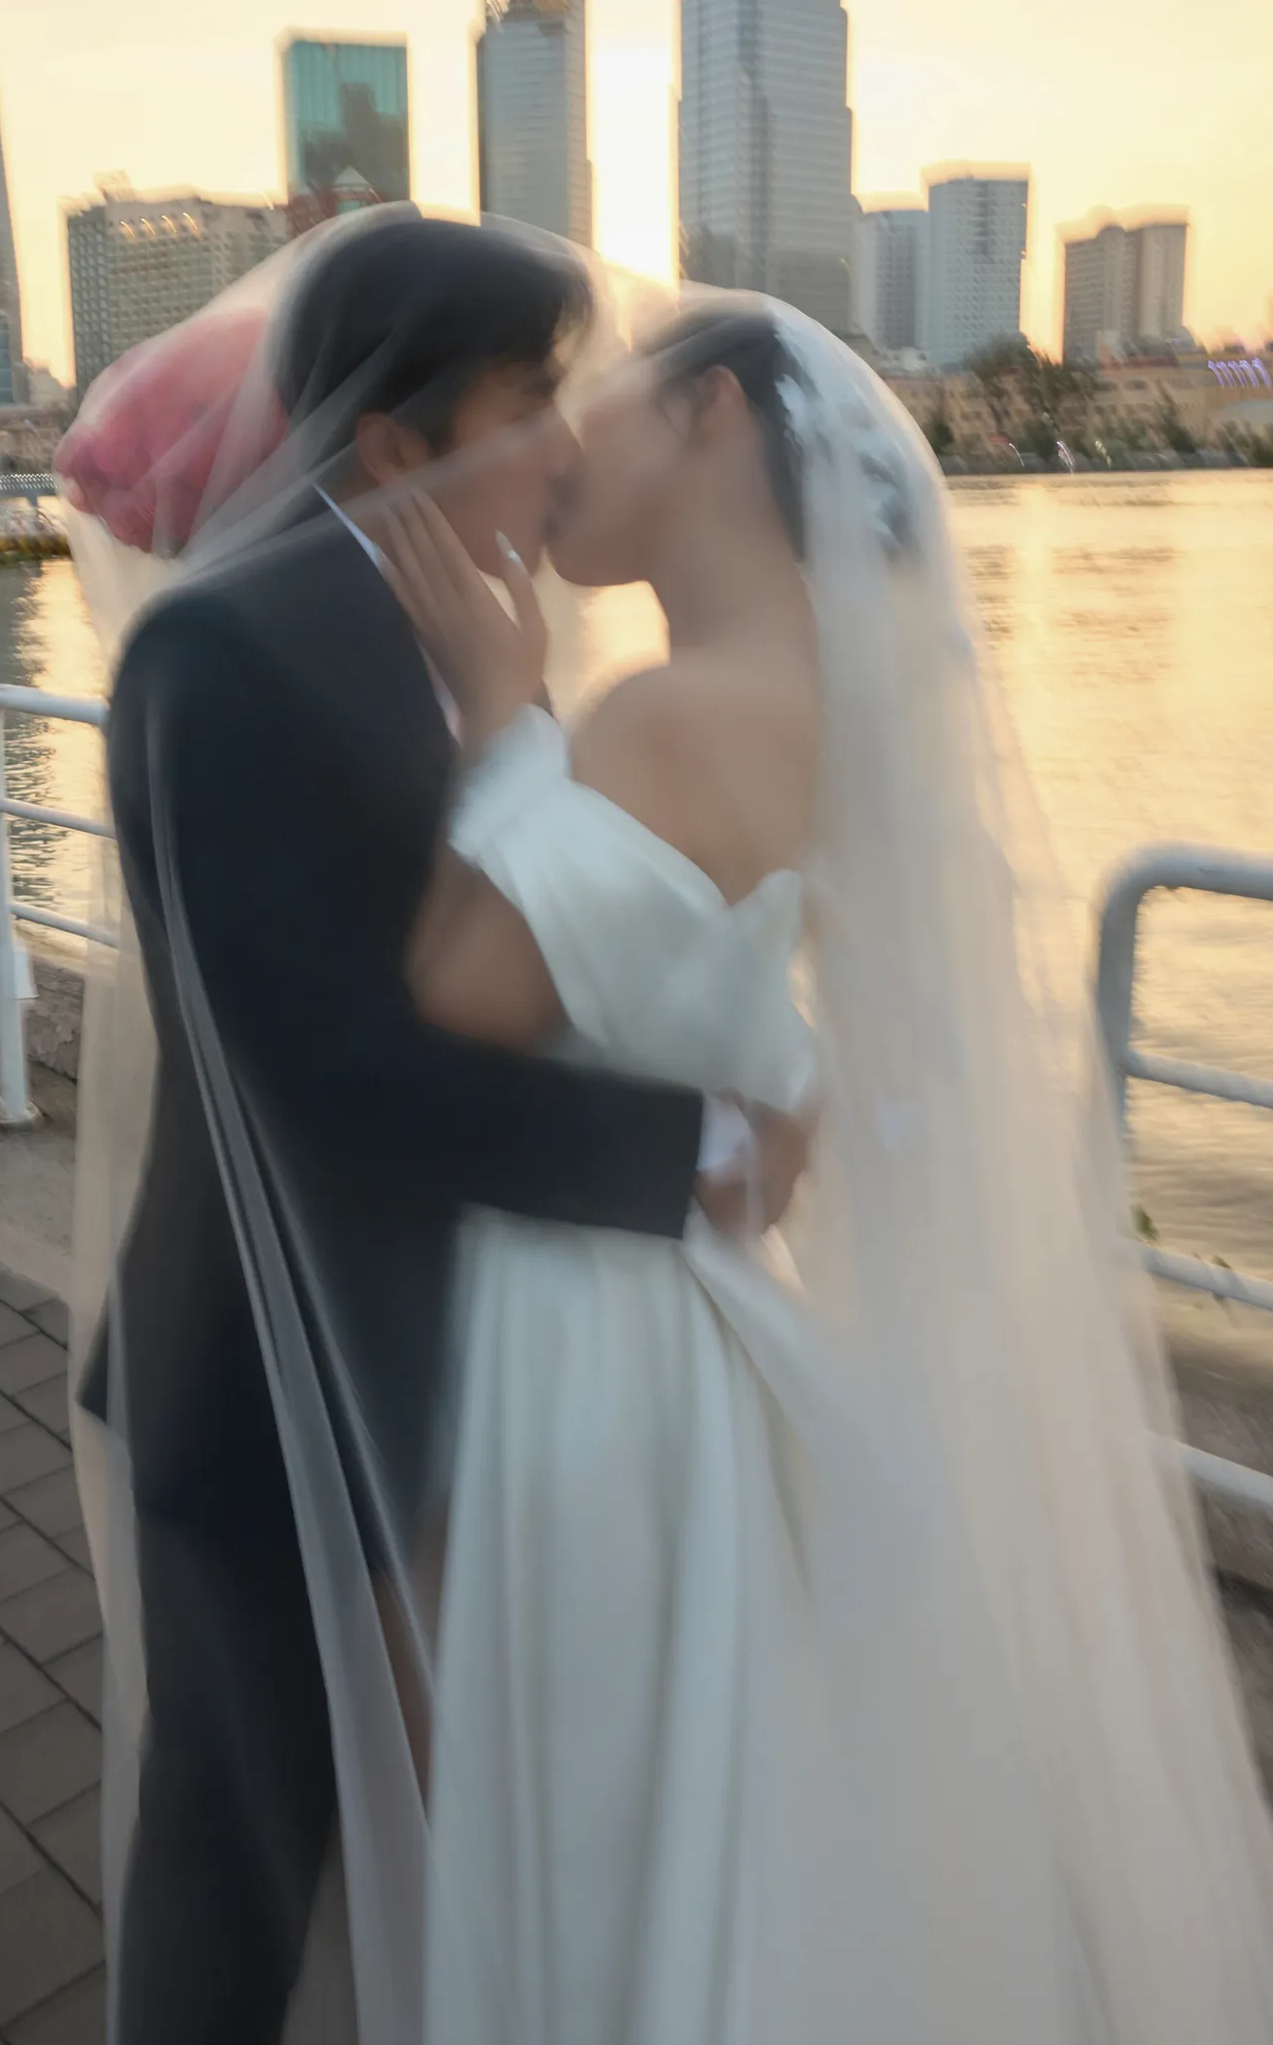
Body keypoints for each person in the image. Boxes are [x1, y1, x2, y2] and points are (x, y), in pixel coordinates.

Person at [378, 297, 1273, 2043]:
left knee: (580, 1822)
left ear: (710, 416)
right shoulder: (832, 703)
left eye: (605, 404)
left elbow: (459, 992)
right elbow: (782, 1032)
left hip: (588, 1343)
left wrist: (502, 719)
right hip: (694, 1308)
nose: (563, 448)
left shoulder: (664, 715)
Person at [75, 216, 803, 2045]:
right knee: (240, 1845)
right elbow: (320, 1066)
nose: (563, 437)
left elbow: (544, 925)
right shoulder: (227, 653)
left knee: (440, 1842)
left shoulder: (455, 623)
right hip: (272, 1365)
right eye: (527, 394)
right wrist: (681, 1148)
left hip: (446, 1354)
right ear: (394, 445)